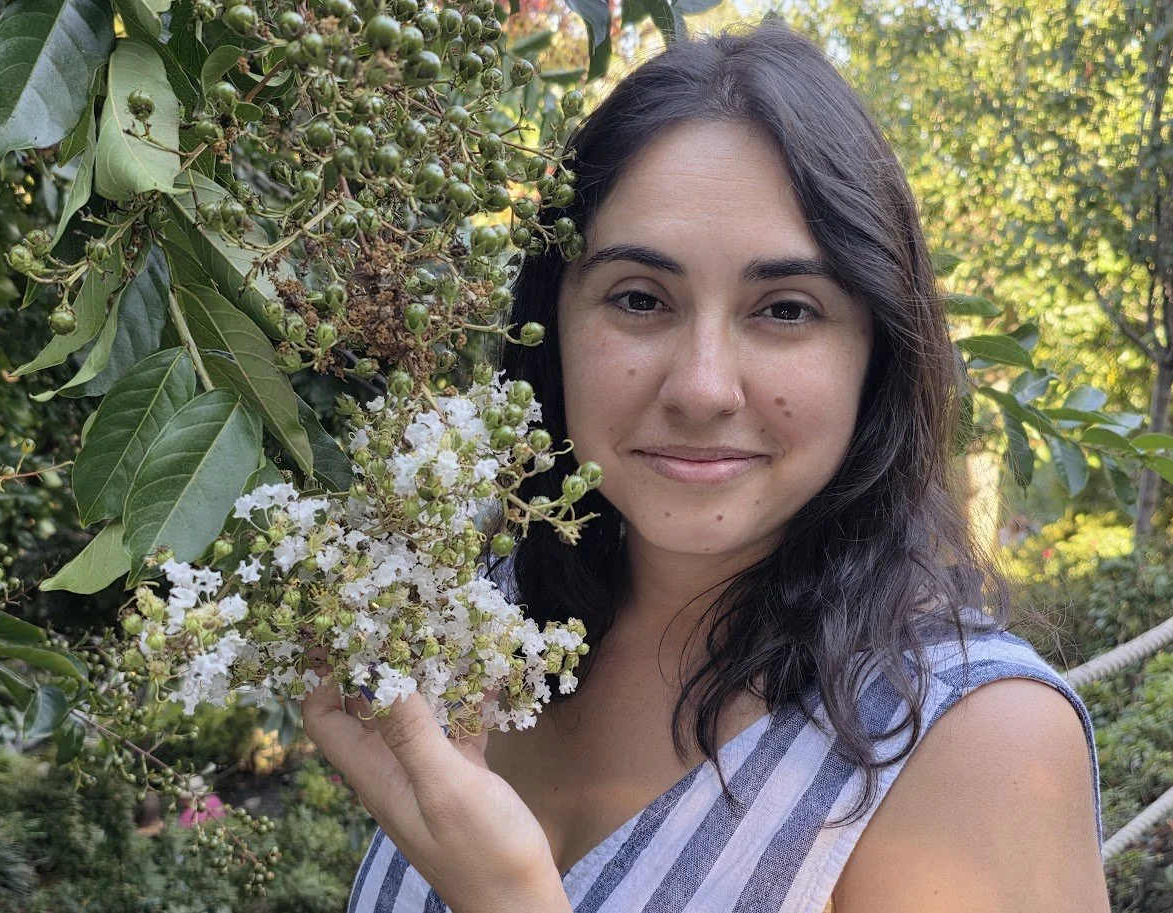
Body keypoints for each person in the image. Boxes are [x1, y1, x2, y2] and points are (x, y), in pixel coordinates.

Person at [303, 16, 1110, 913]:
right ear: (552, 327)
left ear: (876, 353)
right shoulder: (473, 625)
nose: (702, 388)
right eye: (641, 298)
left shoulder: (984, 745)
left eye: (787, 309)